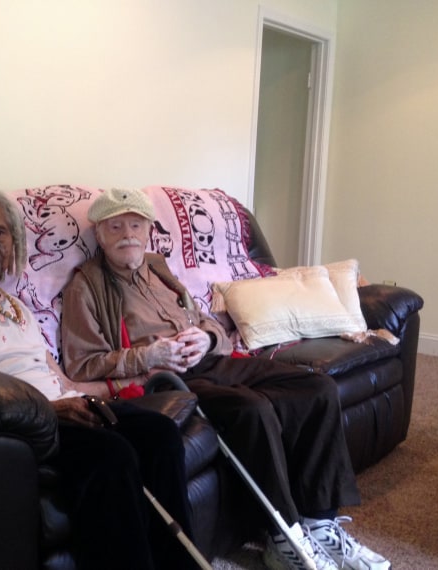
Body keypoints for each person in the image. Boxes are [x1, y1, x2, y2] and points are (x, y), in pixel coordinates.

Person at [60, 188, 391, 570]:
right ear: (99, 235)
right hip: (166, 379)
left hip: (210, 360)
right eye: (115, 227)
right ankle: (282, 533)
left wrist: (207, 338)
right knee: (250, 409)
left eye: (135, 225)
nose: (127, 235)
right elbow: (82, 364)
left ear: (149, 229)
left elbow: (203, 319)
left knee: (315, 387)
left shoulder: (157, 268)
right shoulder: (85, 286)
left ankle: (320, 521)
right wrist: (149, 355)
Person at [0, 188, 198, 570]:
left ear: (14, 241)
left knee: (160, 433)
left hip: (65, 407)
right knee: (111, 454)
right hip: (14, 426)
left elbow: (58, 378)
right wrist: (48, 409)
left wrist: (128, 382)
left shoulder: (17, 308)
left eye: (0, 233)